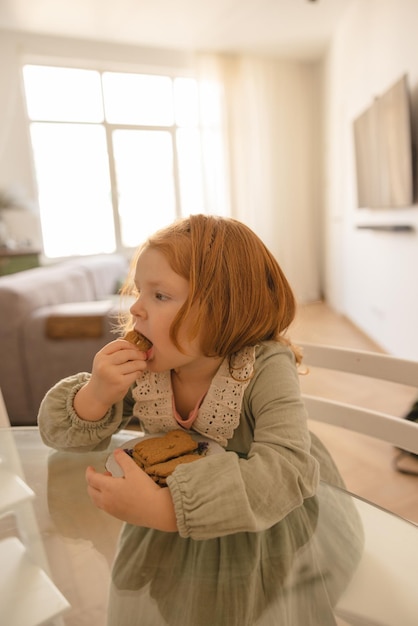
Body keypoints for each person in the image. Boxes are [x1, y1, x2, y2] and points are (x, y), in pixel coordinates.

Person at [38, 214, 362, 624]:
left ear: (224, 309)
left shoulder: (263, 366)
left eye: (159, 296)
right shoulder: (149, 365)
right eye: (140, 291)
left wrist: (167, 510)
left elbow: (288, 469)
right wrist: (96, 395)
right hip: (161, 534)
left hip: (260, 530)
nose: (135, 308)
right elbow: (59, 437)